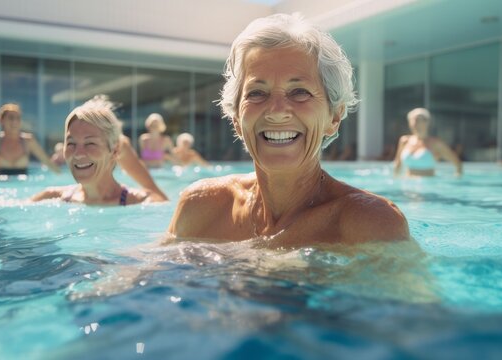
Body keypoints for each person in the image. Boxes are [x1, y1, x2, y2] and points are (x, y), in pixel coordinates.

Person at [167, 13, 409, 247]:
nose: (276, 111)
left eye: (299, 92)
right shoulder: (201, 207)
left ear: (334, 116)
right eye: (257, 93)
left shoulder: (370, 225)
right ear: (236, 120)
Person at [32, 96, 166, 205]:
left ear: (115, 151)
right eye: (71, 143)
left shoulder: (145, 203)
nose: (78, 154)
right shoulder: (49, 198)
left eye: (90, 143)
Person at [0, 103, 60, 176]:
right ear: (1, 121)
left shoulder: (28, 140)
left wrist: (64, 177)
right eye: (11, 118)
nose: (15, 121)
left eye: (17, 118)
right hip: (0, 188)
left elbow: (47, 162)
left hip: (24, 187)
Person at [393, 108, 462, 177]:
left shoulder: (436, 144)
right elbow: (397, 165)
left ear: (427, 122)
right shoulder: (404, 141)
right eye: (412, 120)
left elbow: (457, 163)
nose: (415, 123)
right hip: (407, 184)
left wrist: (457, 179)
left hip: (428, 185)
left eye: (419, 120)